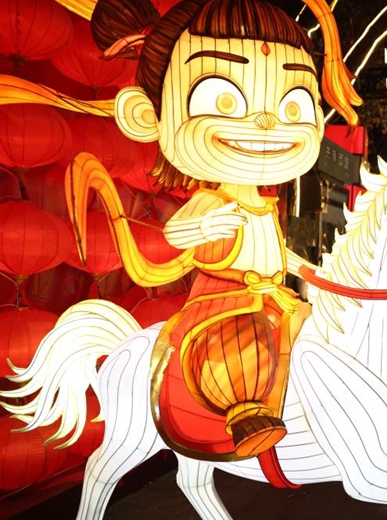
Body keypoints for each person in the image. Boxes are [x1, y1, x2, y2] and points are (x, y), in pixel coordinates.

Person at [78, 0, 361, 460]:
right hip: (221, 302)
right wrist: (203, 225)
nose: (267, 122)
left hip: (274, 297)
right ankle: (245, 413)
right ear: (146, 115)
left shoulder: (264, 203)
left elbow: (277, 252)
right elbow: (176, 234)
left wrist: (312, 272)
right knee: (245, 344)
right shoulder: (213, 199)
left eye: (294, 105)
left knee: (327, 327)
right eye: (224, 100)